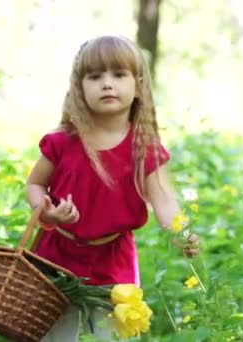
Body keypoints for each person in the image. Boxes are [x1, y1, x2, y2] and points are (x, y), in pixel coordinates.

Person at [25, 35, 200, 341]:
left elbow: (163, 201)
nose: (107, 84)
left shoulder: (143, 147)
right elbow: (35, 184)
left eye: (118, 75)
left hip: (113, 259)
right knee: (53, 334)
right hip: (56, 255)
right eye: (95, 77)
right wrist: (48, 213)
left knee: (111, 335)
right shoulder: (63, 141)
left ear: (138, 85)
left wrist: (180, 233)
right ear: (80, 87)